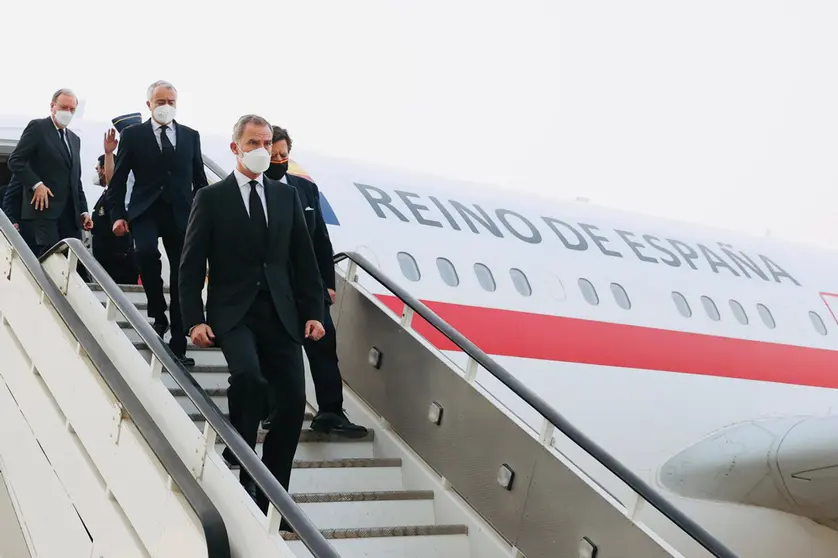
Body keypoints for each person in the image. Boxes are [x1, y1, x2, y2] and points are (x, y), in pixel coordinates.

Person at [179, 115, 325, 521]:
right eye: (254, 142)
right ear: (235, 148)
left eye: (266, 142)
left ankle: (271, 490)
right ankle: (242, 458)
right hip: (233, 312)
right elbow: (190, 266)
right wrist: (194, 321)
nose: (263, 150)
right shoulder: (210, 199)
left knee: (294, 402)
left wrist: (314, 312)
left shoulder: (285, 197)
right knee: (249, 378)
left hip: (281, 313)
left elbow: (304, 260)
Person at [263, 125, 367, 438]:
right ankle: (274, 412)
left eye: (284, 154)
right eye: (274, 154)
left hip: (310, 287)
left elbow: (321, 239)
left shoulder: (305, 189)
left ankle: (331, 412)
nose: (279, 159)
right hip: (274, 287)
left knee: (324, 348)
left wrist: (328, 282)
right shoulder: (253, 192)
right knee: (278, 350)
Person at [108, 81, 208, 366]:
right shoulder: (133, 135)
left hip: (181, 214)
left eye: (171, 101)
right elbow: (118, 181)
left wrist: (205, 217)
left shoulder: (190, 136)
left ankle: (179, 343)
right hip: (145, 210)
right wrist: (117, 214)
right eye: (160, 101)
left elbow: (199, 181)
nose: (166, 106)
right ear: (148, 104)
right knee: (145, 253)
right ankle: (157, 310)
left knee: (181, 276)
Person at [6, 89, 93, 256]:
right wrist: (36, 184)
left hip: (70, 218)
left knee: (70, 263)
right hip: (44, 215)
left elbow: (75, 180)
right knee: (48, 262)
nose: (67, 112)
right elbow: (15, 160)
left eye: (71, 109)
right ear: (52, 106)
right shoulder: (38, 128)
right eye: (63, 107)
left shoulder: (75, 139)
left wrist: (83, 211)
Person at [91, 137, 139, 284]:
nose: (97, 172)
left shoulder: (118, 192)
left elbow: (113, 181)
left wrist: (108, 153)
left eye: (98, 168)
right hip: (105, 258)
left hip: (118, 258)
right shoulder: (105, 195)